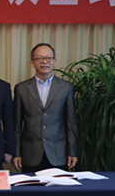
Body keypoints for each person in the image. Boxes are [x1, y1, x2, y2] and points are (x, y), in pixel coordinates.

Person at [12, 43, 79, 173]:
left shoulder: (66, 88)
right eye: (40, 58)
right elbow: (17, 125)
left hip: (58, 153)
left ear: (54, 61)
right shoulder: (21, 88)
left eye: (49, 58)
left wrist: (72, 152)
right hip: (30, 154)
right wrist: (16, 153)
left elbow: (71, 123)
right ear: (32, 63)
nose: (44, 61)